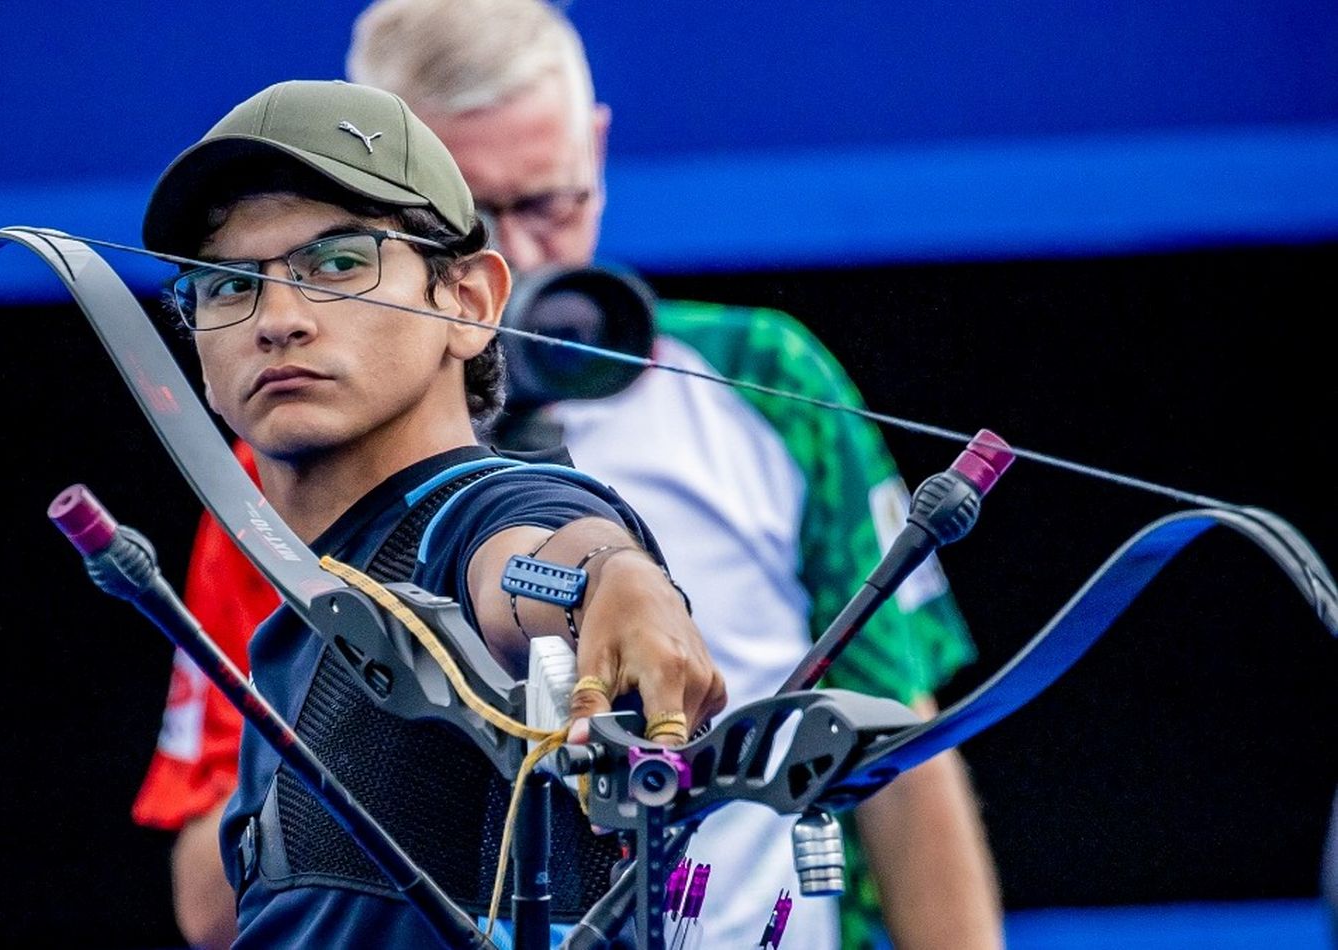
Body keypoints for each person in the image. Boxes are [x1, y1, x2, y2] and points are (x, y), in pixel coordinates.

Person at [135, 3, 1004, 948]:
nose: (520, 253)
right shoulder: (282, 479)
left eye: (551, 203)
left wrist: (615, 585)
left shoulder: (766, 381)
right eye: (476, 212)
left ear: (594, 148)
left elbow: (895, 744)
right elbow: (220, 894)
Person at [135, 77, 725, 947]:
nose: (278, 319)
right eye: (227, 286)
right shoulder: (312, 602)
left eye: (338, 263)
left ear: (471, 302)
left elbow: (534, 556)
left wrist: (613, 582)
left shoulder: (472, 512)